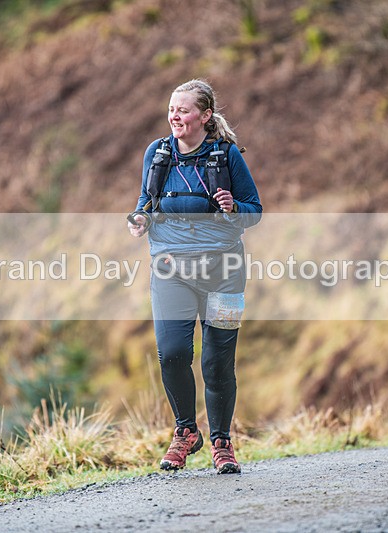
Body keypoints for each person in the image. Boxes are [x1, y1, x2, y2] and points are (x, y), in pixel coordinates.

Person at [127, 79, 261, 474]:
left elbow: (255, 211)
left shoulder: (227, 155)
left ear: (204, 117)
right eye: (171, 109)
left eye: (182, 110)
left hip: (225, 274)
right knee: (171, 353)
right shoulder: (157, 153)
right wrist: (138, 219)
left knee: (218, 363)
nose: (174, 116)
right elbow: (145, 204)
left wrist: (233, 206)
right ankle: (186, 432)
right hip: (171, 272)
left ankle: (222, 442)